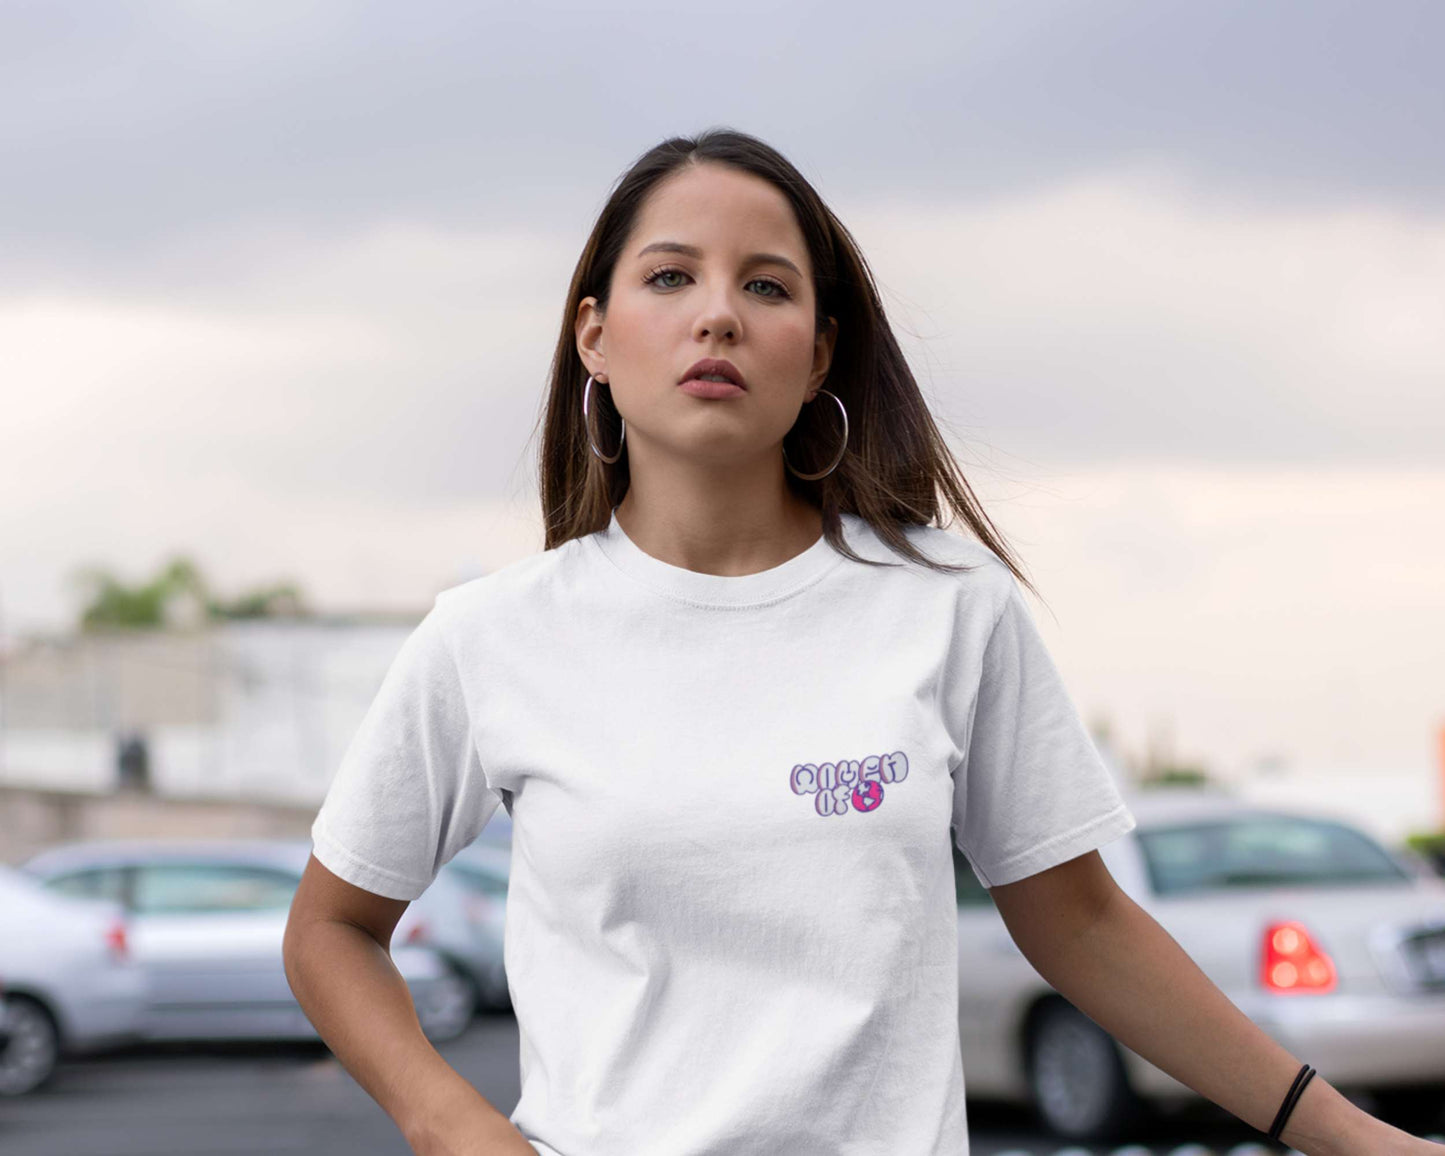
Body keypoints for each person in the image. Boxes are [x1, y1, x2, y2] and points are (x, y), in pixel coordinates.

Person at [282, 128, 1443, 1156]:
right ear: (593, 334)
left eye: (767, 286)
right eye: (670, 276)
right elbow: (332, 928)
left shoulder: (944, 604)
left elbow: (1083, 923)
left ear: (821, 351)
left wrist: (1350, 1137)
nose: (718, 312)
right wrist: (454, 1125)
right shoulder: (492, 634)